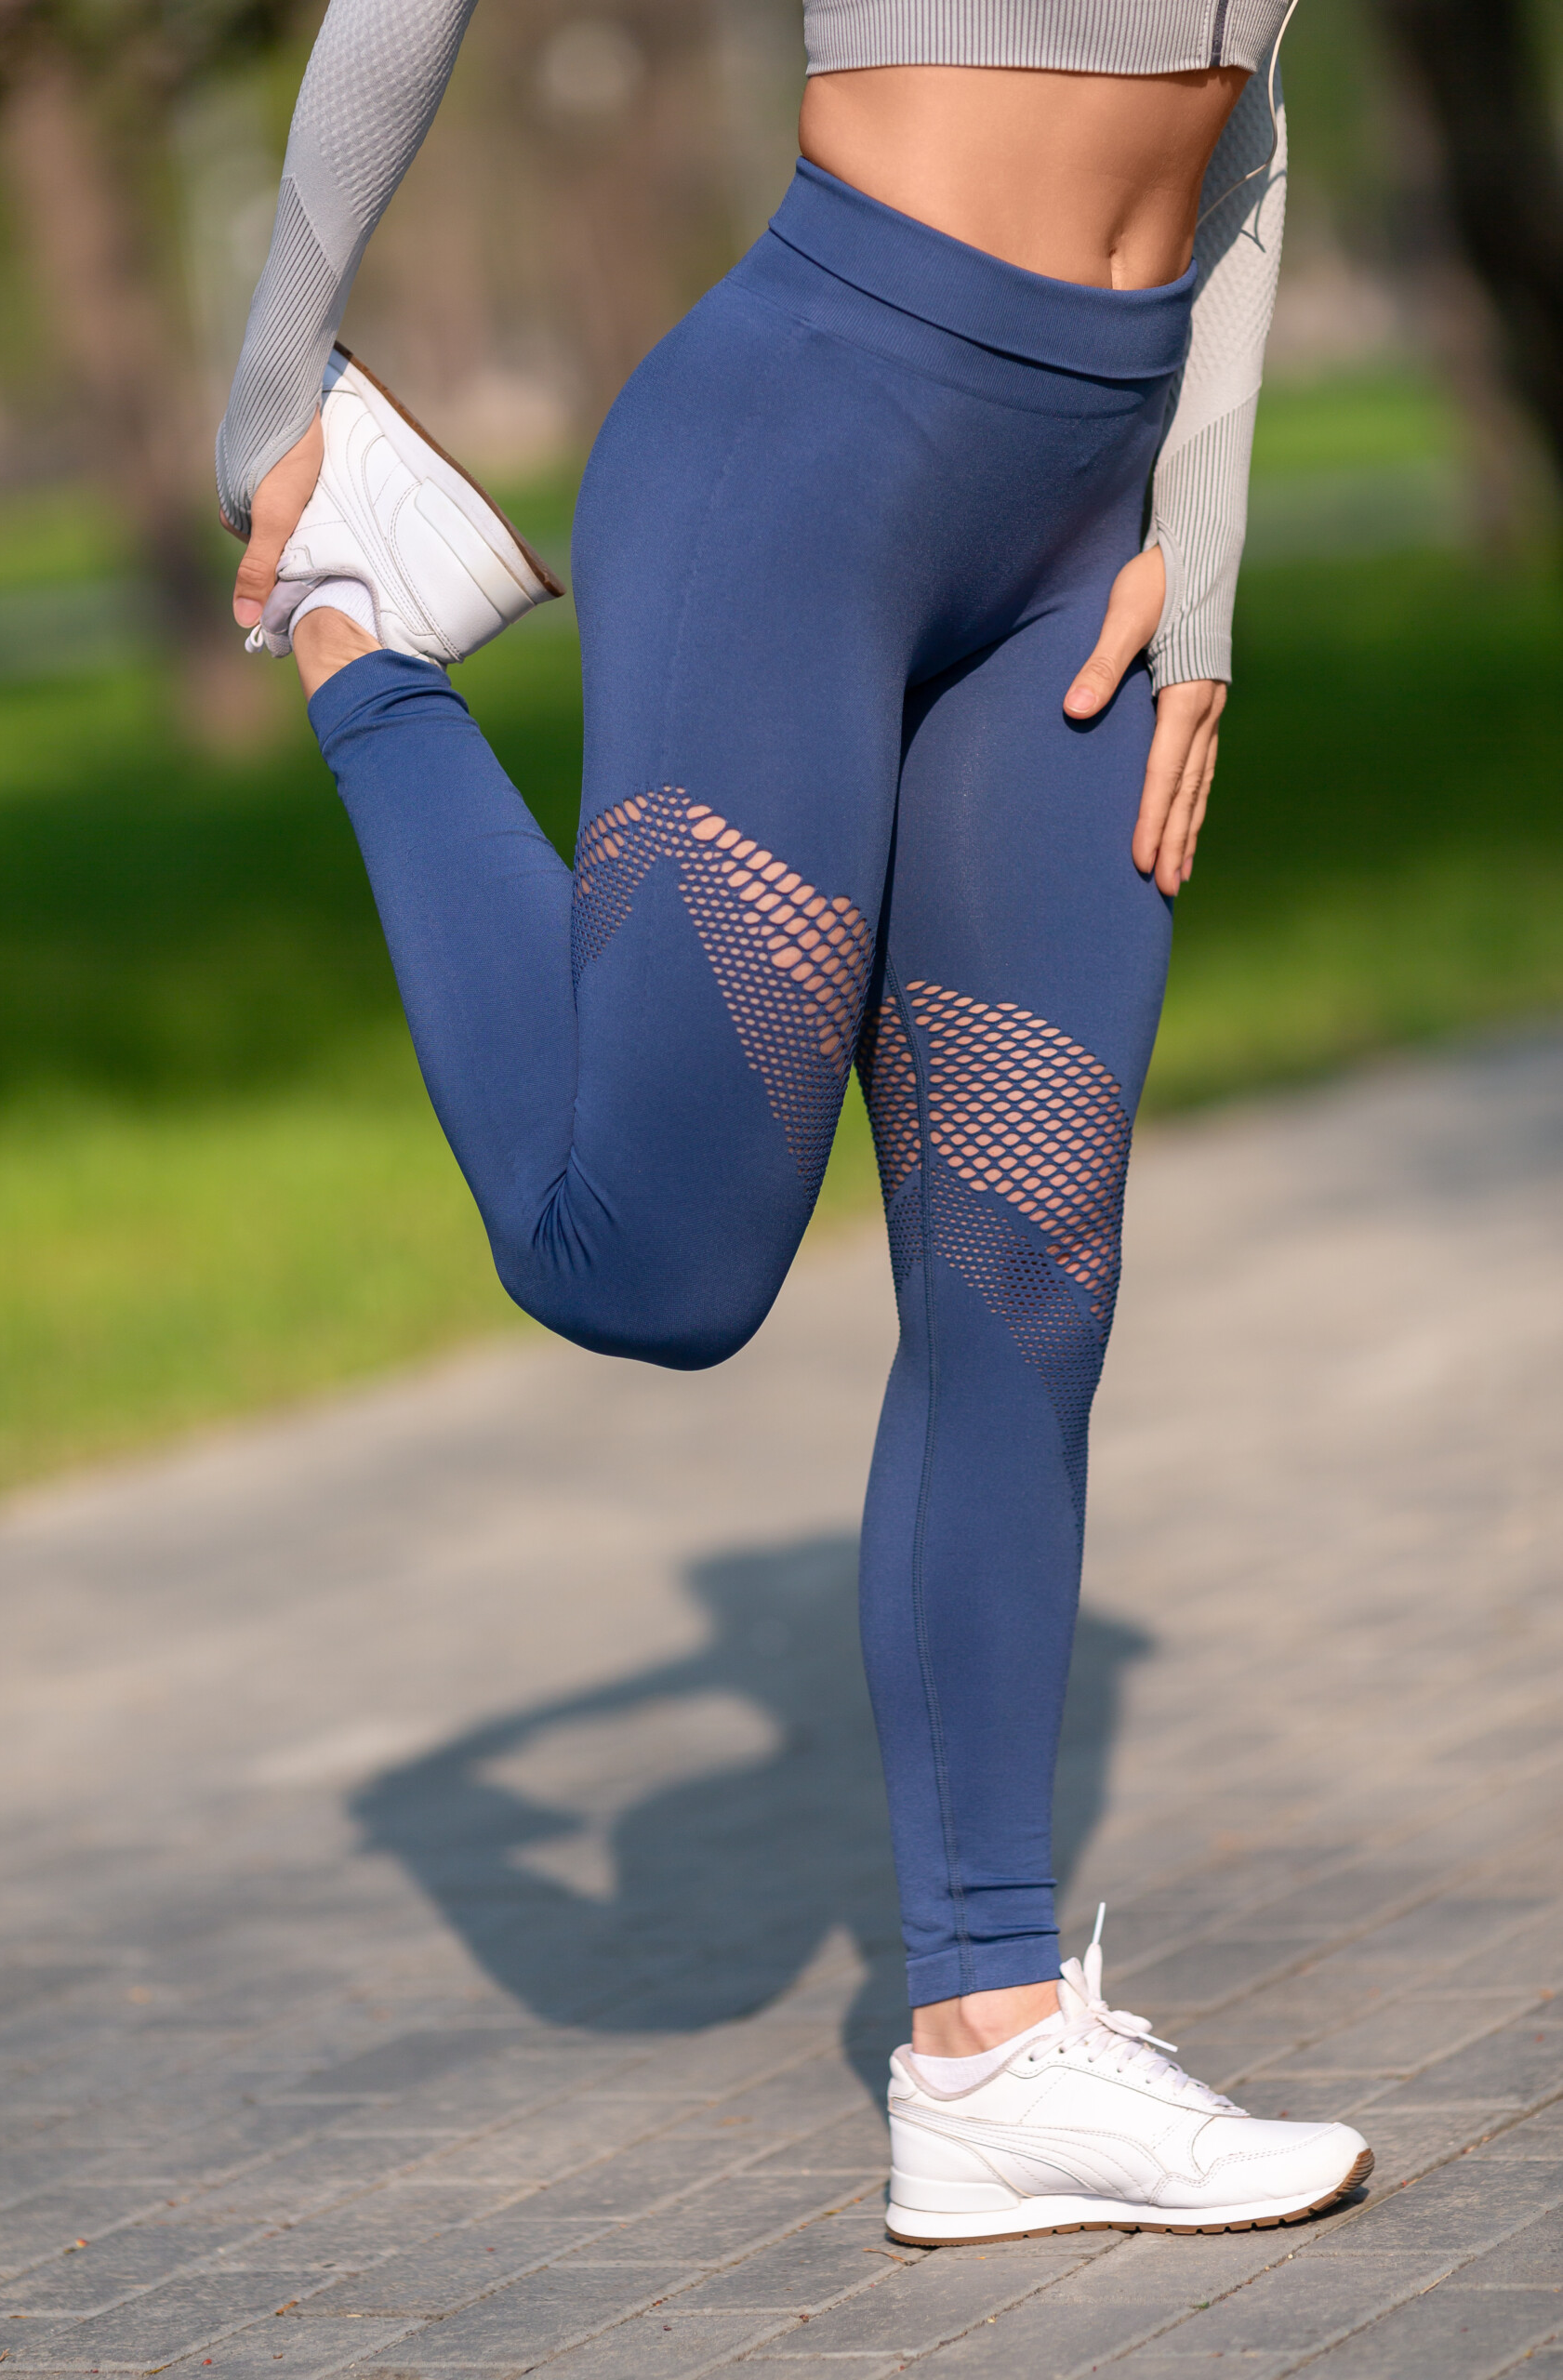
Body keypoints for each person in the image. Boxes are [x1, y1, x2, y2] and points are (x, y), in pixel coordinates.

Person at [216, 0, 1373, 2244]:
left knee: (1021, 1268)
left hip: (1083, 526)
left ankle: (988, 2042)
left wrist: (1199, 544)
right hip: (805, 456)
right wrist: (279, 378)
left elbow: (1246, 125)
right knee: (645, 1262)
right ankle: (366, 636)